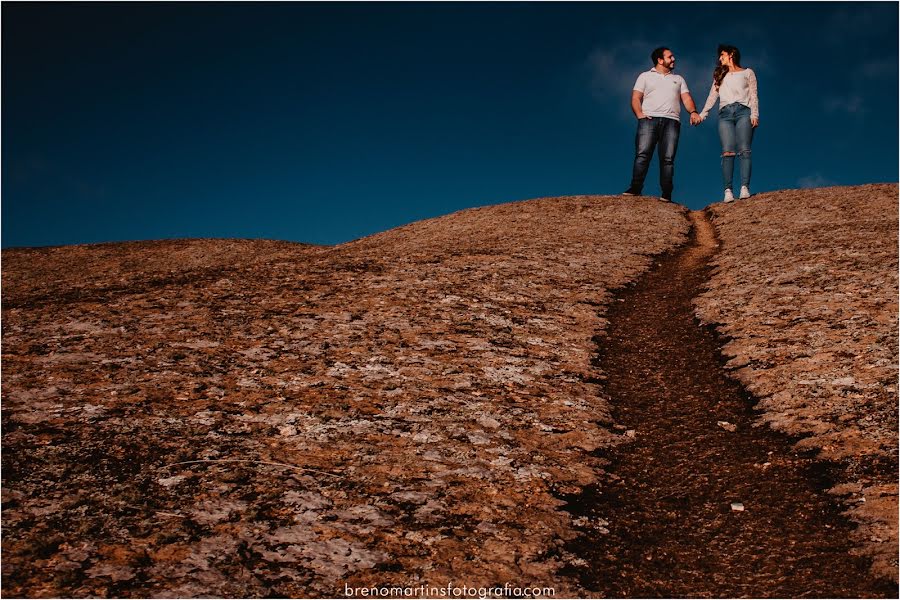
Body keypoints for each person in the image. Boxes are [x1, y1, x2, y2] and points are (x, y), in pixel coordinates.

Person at [622, 47, 701, 203]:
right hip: (649, 120)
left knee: (668, 159)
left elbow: (686, 98)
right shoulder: (644, 76)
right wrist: (640, 115)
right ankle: (635, 188)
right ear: (660, 60)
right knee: (642, 155)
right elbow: (636, 98)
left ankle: (666, 194)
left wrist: (693, 112)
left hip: (672, 121)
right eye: (670, 57)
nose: (673, 59)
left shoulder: (678, 79)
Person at [697, 44, 759, 202]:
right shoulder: (719, 75)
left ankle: (744, 187)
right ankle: (728, 190)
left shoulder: (747, 72)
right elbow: (712, 96)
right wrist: (703, 114)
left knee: (744, 150)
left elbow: (753, 95)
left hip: (744, 111)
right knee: (727, 151)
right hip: (725, 114)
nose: (720, 58)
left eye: (722, 55)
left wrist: (755, 114)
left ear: (731, 54)